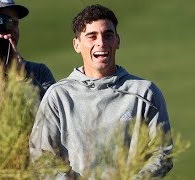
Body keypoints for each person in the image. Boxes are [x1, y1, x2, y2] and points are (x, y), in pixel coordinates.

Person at [29, 4, 173, 179]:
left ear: (117, 41)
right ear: (76, 44)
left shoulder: (145, 93)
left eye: (108, 35)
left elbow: (162, 152)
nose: (101, 43)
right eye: (92, 36)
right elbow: (43, 157)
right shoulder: (59, 96)